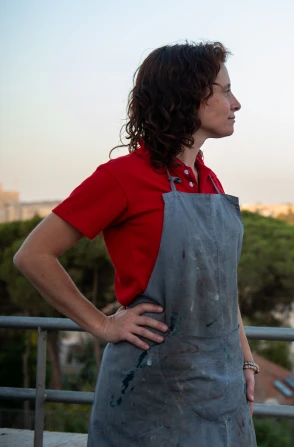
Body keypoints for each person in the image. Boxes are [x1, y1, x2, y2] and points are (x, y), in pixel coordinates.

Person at [14, 41, 258, 446]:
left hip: (221, 388)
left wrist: (245, 360)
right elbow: (33, 255)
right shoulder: (123, 177)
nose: (237, 103)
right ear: (188, 96)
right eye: (225, 90)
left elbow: (220, 289)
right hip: (146, 387)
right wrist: (102, 324)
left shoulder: (210, 181)